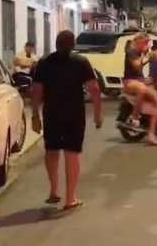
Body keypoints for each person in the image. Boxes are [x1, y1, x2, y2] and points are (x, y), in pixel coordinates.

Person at [30, 30, 102, 211]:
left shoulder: (44, 63)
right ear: (73, 45)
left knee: (52, 152)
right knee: (72, 155)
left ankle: (54, 191)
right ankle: (70, 198)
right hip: (74, 115)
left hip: (51, 114)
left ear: (56, 43)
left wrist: (34, 116)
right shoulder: (81, 62)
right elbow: (94, 89)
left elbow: (36, 91)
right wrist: (97, 114)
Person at [122, 33, 157, 146]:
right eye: (145, 43)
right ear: (139, 43)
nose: (147, 45)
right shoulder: (131, 52)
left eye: (148, 43)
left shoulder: (140, 53)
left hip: (140, 81)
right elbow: (136, 65)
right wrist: (145, 55)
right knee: (143, 90)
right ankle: (137, 119)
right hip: (130, 82)